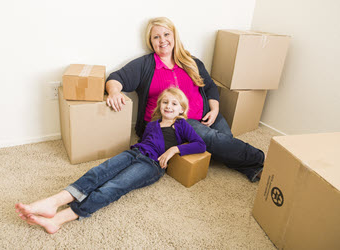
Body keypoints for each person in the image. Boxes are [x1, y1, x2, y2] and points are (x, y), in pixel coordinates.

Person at [15, 87, 206, 234]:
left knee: (113, 186)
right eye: (165, 102)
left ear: (181, 109)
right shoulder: (152, 124)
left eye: (174, 104)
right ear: (159, 105)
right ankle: (54, 201)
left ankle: (59, 219)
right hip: (133, 153)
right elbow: (143, 141)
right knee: (98, 172)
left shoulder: (181, 124)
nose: (169, 106)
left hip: (151, 165)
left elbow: (200, 145)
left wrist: (174, 149)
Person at [105, 17, 264, 182]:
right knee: (213, 140)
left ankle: (253, 169)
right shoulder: (145, 65)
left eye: (166, 34)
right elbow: (116, 78)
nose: (162, 40)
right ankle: (262, 159)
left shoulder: (191, 61)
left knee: (225, 141)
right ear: (150, 41)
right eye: (156, 37)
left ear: (174, 36)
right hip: (174, 122)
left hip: (204, 114)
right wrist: (114, 92)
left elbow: (209, 86)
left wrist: (215, 110)